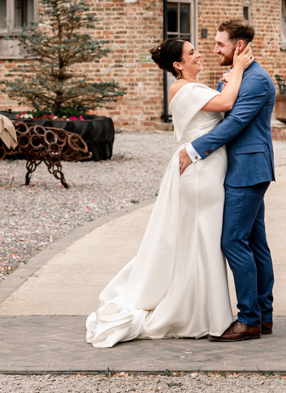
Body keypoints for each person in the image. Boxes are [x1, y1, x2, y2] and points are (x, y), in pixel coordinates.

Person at [85, 35, 255, 348]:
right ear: (178, 64)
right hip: (200, 172)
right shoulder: (181, 88)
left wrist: (228, 79)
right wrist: (240, 68)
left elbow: (217, 106)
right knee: (203, 238)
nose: (199, 55)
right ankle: (207, 314)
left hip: (208, 167)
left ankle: (206, 310)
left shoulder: (194, 87)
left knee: (202, 240)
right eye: (192, 53)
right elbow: (227, 104)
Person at [179, 19, 276, 342]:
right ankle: (263, 316)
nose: (214, 49)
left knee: (233, 241)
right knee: (255, 243)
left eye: (220, 44)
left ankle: (249, 319)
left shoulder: (257, 80)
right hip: (244, 169)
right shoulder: (241, 76)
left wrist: (194, 150)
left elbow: (234, 123)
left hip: (247, 171)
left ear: (239, 47)